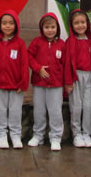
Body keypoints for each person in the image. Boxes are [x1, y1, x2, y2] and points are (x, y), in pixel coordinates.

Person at [28, 13, 66, 151]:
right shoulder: (37, 42)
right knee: (39, 110)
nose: (50, 30)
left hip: (56, 84)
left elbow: (66, 64)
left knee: (55, 111)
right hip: (39, 83)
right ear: (42, 28)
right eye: (47, 27)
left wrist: (66, 82)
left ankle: (56, 137)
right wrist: (38, 68)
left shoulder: (62, 45)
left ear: (57, 27)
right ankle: (38, 135)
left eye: (52, 27)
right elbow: (29, 56)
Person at [0, 10, 29, 149]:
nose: (7, 26)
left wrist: (23, 83)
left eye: (11, 23)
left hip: (16, 85)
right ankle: (1, 135)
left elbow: (24, 64)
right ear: (0, 25)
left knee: (15, 111)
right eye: (4, 23)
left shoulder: (20, 44)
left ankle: (15, 135)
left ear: (16, 25)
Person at [64, 9, 91, 148]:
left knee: (87, 105)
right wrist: (68, 81)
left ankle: (86, 132)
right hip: (76, 76)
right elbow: (67, 62)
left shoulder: (90, 42)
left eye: (83, 22)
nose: (80, 25)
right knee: (77, 106)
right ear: (71, 25)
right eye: (77, 23)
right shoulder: (70, 41)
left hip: (89, 76)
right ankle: (76, 133)